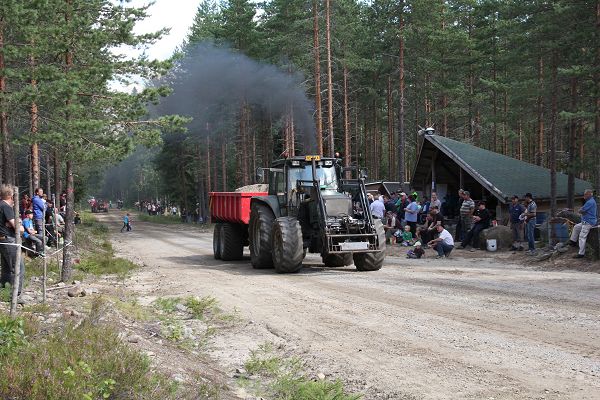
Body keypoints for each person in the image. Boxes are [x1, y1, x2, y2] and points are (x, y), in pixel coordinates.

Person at [0, 185, 26, 299]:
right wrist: (20, 225)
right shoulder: (6, 207)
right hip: (8, 239)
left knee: (6, 267)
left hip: (2, 239)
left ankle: (4, 290)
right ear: (11, 196)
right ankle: (15, 295)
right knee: (18, 267)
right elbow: (17, 227)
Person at [569, 189, 597, 259]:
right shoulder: (589, 201)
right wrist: (582, 211)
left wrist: (581, 211)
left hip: (588, 222)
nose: (584, 195)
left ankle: (581, 253)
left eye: (585, 194)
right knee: (576, 227)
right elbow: (581, 210)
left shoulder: (590, 202)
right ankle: (573, 241)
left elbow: (581, 210)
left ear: (589, 194)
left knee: (582, 236)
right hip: (584, 222)